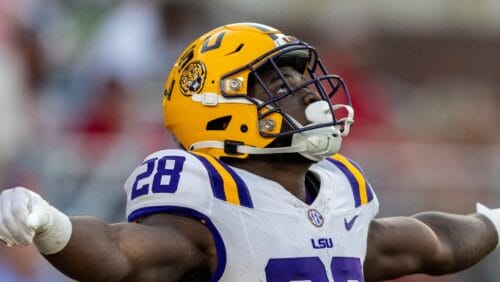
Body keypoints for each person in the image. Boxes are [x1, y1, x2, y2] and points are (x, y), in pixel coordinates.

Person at [0, 22, 499, 282]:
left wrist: (494, 222)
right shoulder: (211, 202)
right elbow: (119, 253)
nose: (308, 92)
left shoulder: (337, 192)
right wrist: (52, 225)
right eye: (280, 80)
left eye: (304, 76)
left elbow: (431, 242)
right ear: (216, 107)